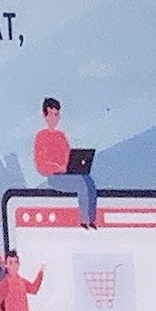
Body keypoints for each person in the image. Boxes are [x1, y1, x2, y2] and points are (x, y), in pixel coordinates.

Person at [32, 96, 98, 228]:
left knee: (88, 180)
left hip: (67, 174)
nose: (54, 118)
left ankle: (92, 220)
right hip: (54, 177)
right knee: (81, 183)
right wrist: (58, 168)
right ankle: (83, 220)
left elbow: (69, 155)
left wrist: (74, 165)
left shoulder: (61, 136)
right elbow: (40, 165)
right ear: (45, 115)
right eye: (51, 114)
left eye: (56, 114)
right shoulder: (40, 136)